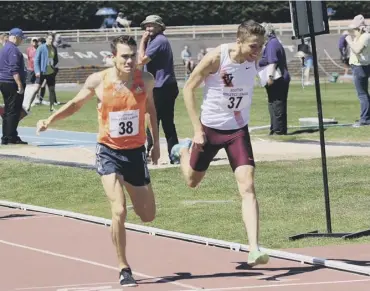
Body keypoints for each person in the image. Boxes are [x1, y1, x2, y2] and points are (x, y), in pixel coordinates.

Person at [36, 35, 160, 286]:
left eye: (132, 55)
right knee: (119, 209)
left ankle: (130, 191)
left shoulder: (145, 80)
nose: (129, 60)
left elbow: (151, 110)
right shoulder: (99, 81)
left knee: (148, 215)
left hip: (135, 153)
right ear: (113, 57)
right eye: (124, 56)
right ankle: (124, 267)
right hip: (108, 152)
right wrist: (50, 121)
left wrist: (155, 144)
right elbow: (74, 104)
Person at [170, 20, 269, 266]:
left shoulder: (254, 58)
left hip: (237, 131)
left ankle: (254, 248)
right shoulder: (216, 57)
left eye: (260, 47)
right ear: (239, 42)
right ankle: (183, 152)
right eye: (253, 47)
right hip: (210, 129)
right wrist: (196, 130)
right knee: (192, 181)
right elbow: (189, 88)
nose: (257, 52)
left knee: (247, 185)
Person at [138, 15, 179, 164]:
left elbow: (141, 60)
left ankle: (148, 154)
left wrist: (142, 41)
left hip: (161, 87)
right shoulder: (156, 40)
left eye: (152, 26)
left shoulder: (158, 41)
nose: (149, 29)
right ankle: (174, 154)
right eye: (147, 26)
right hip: (165, 86)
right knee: (167, 122)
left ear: (160, 27)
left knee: (153, 120)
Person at [259, 23, 290, 135]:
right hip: (277, 77)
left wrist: (270, 77)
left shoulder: (272, 44)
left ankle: (279, 130)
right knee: (273, 103)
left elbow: (273, 62)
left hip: (278, 78)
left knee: (277, 104)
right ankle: (275, 128)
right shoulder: (272, 43)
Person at [0, 28, 28, 145]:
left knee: (8, 109)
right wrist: (19, 84)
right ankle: (10, 136)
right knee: (13, 110)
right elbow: (14, 69)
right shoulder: (13, 50)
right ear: (16, 37)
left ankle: (7, 135)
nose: (22, 41)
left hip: (4, 81)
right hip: (11, 82)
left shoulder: (4, 48)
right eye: (21, 39)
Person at [346, 14, 370, 127]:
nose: (354, 30)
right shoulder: (361, 36)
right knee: (364, 93)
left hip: (360, 67)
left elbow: (357, 50)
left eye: (355, 28)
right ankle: (366, 117)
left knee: (362, 94)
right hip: (358, 66)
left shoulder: (365, 37)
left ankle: (364, 119)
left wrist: (349, 41)